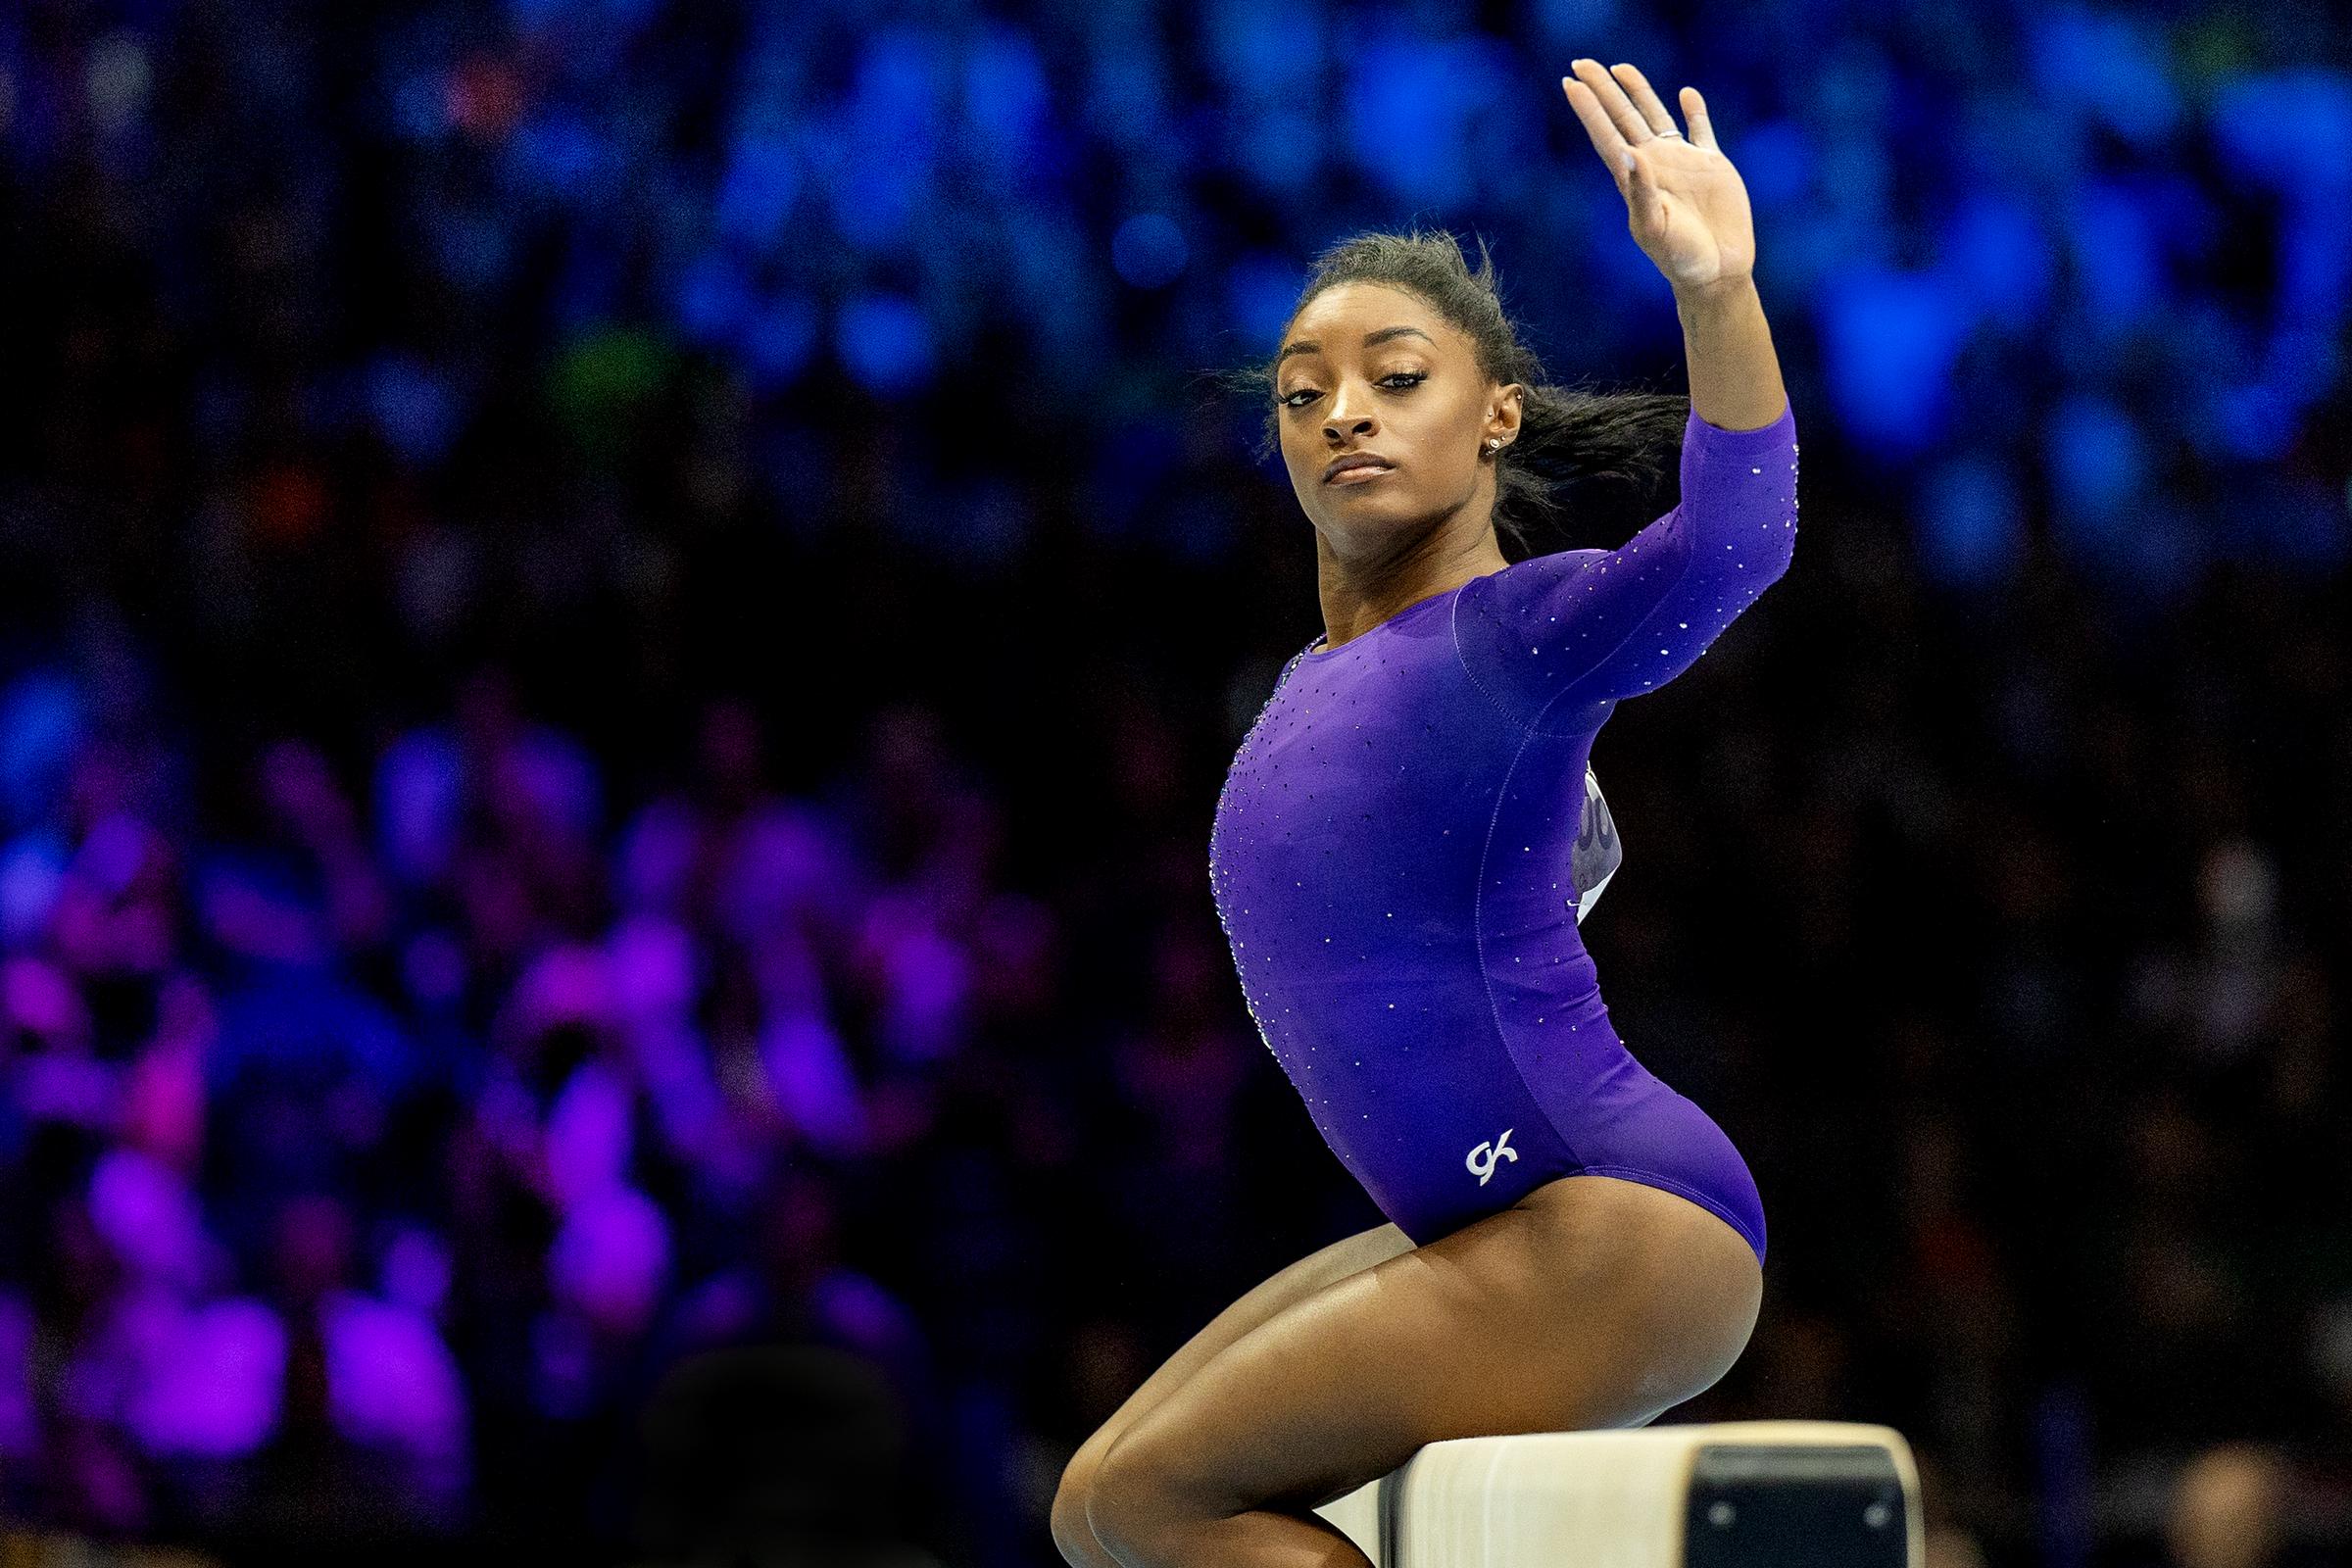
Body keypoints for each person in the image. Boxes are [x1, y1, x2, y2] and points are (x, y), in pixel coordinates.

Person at [1054, 59, 1797, 1568]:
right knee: (1094, 1504)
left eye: (1399, 378)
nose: (1346, 413)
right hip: (1493, 1221)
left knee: (1152, 1501)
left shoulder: (1508, 637)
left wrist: (1716, 291)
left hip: (1608, 1213)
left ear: (1497, 414)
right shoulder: (1320, 681)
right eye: (1304, 392)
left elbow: (1736, 544)